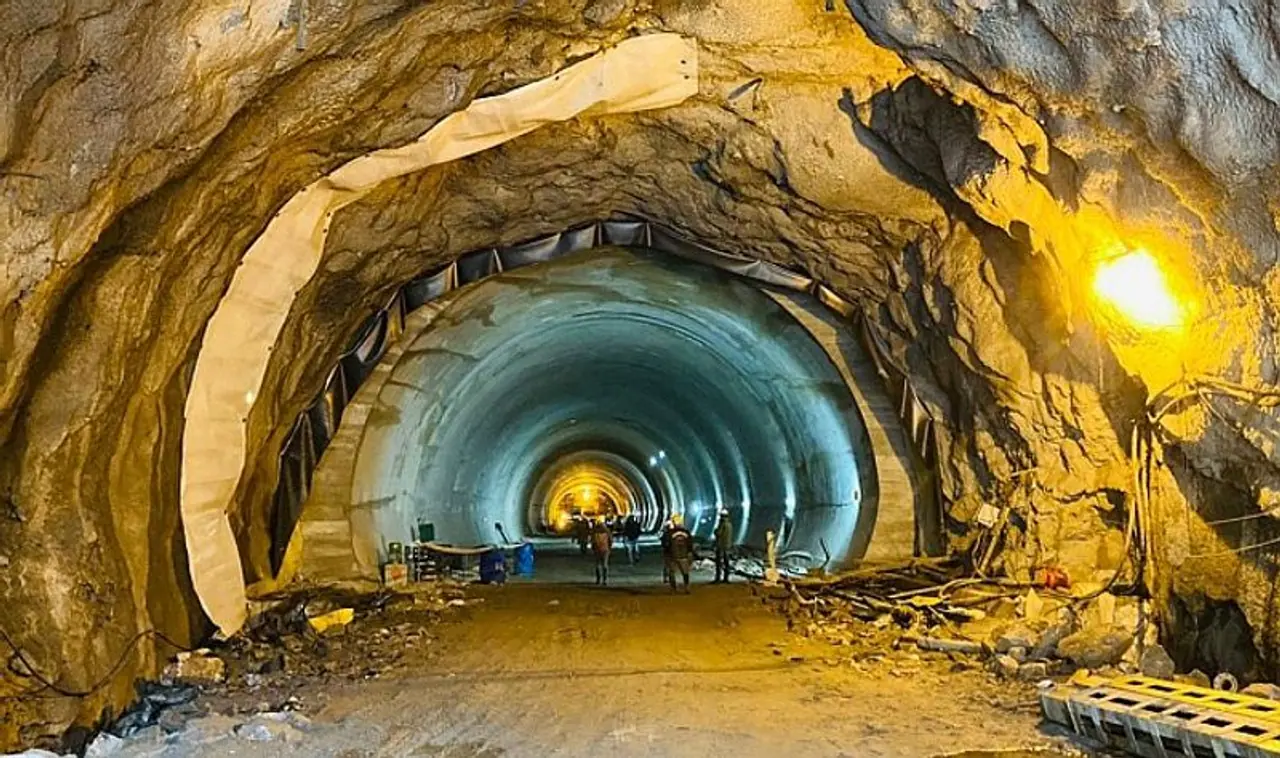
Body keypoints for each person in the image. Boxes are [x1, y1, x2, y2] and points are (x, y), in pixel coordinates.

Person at [664, 514, 694, 594]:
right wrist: (690, 553)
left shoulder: (670, 533)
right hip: (683, 555)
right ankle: (687, 587)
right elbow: (690, 544)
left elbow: (666, 544)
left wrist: (666, 554)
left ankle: (673, 589)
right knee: (685, 572)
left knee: (672, 572)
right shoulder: (686, 532)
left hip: (673, 555)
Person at [590, 518, 613, 586]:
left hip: (597, 550)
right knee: (605, 565)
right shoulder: (607, 533)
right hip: (605, 550)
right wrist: (609, 548)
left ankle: (598, 579)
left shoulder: (595, 533)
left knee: (597, 565)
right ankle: (605, 580)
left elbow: (593, 542)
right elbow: (610, 541)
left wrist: (593, 549)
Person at [713, 508, 733, 583]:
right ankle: (726, 578)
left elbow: (718, 533)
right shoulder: (730, 524)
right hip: (727, 546)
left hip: (720, 546)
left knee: (719, 563)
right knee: (726, 563)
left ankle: (718, 578)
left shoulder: (722, 524)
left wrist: (715, 531)